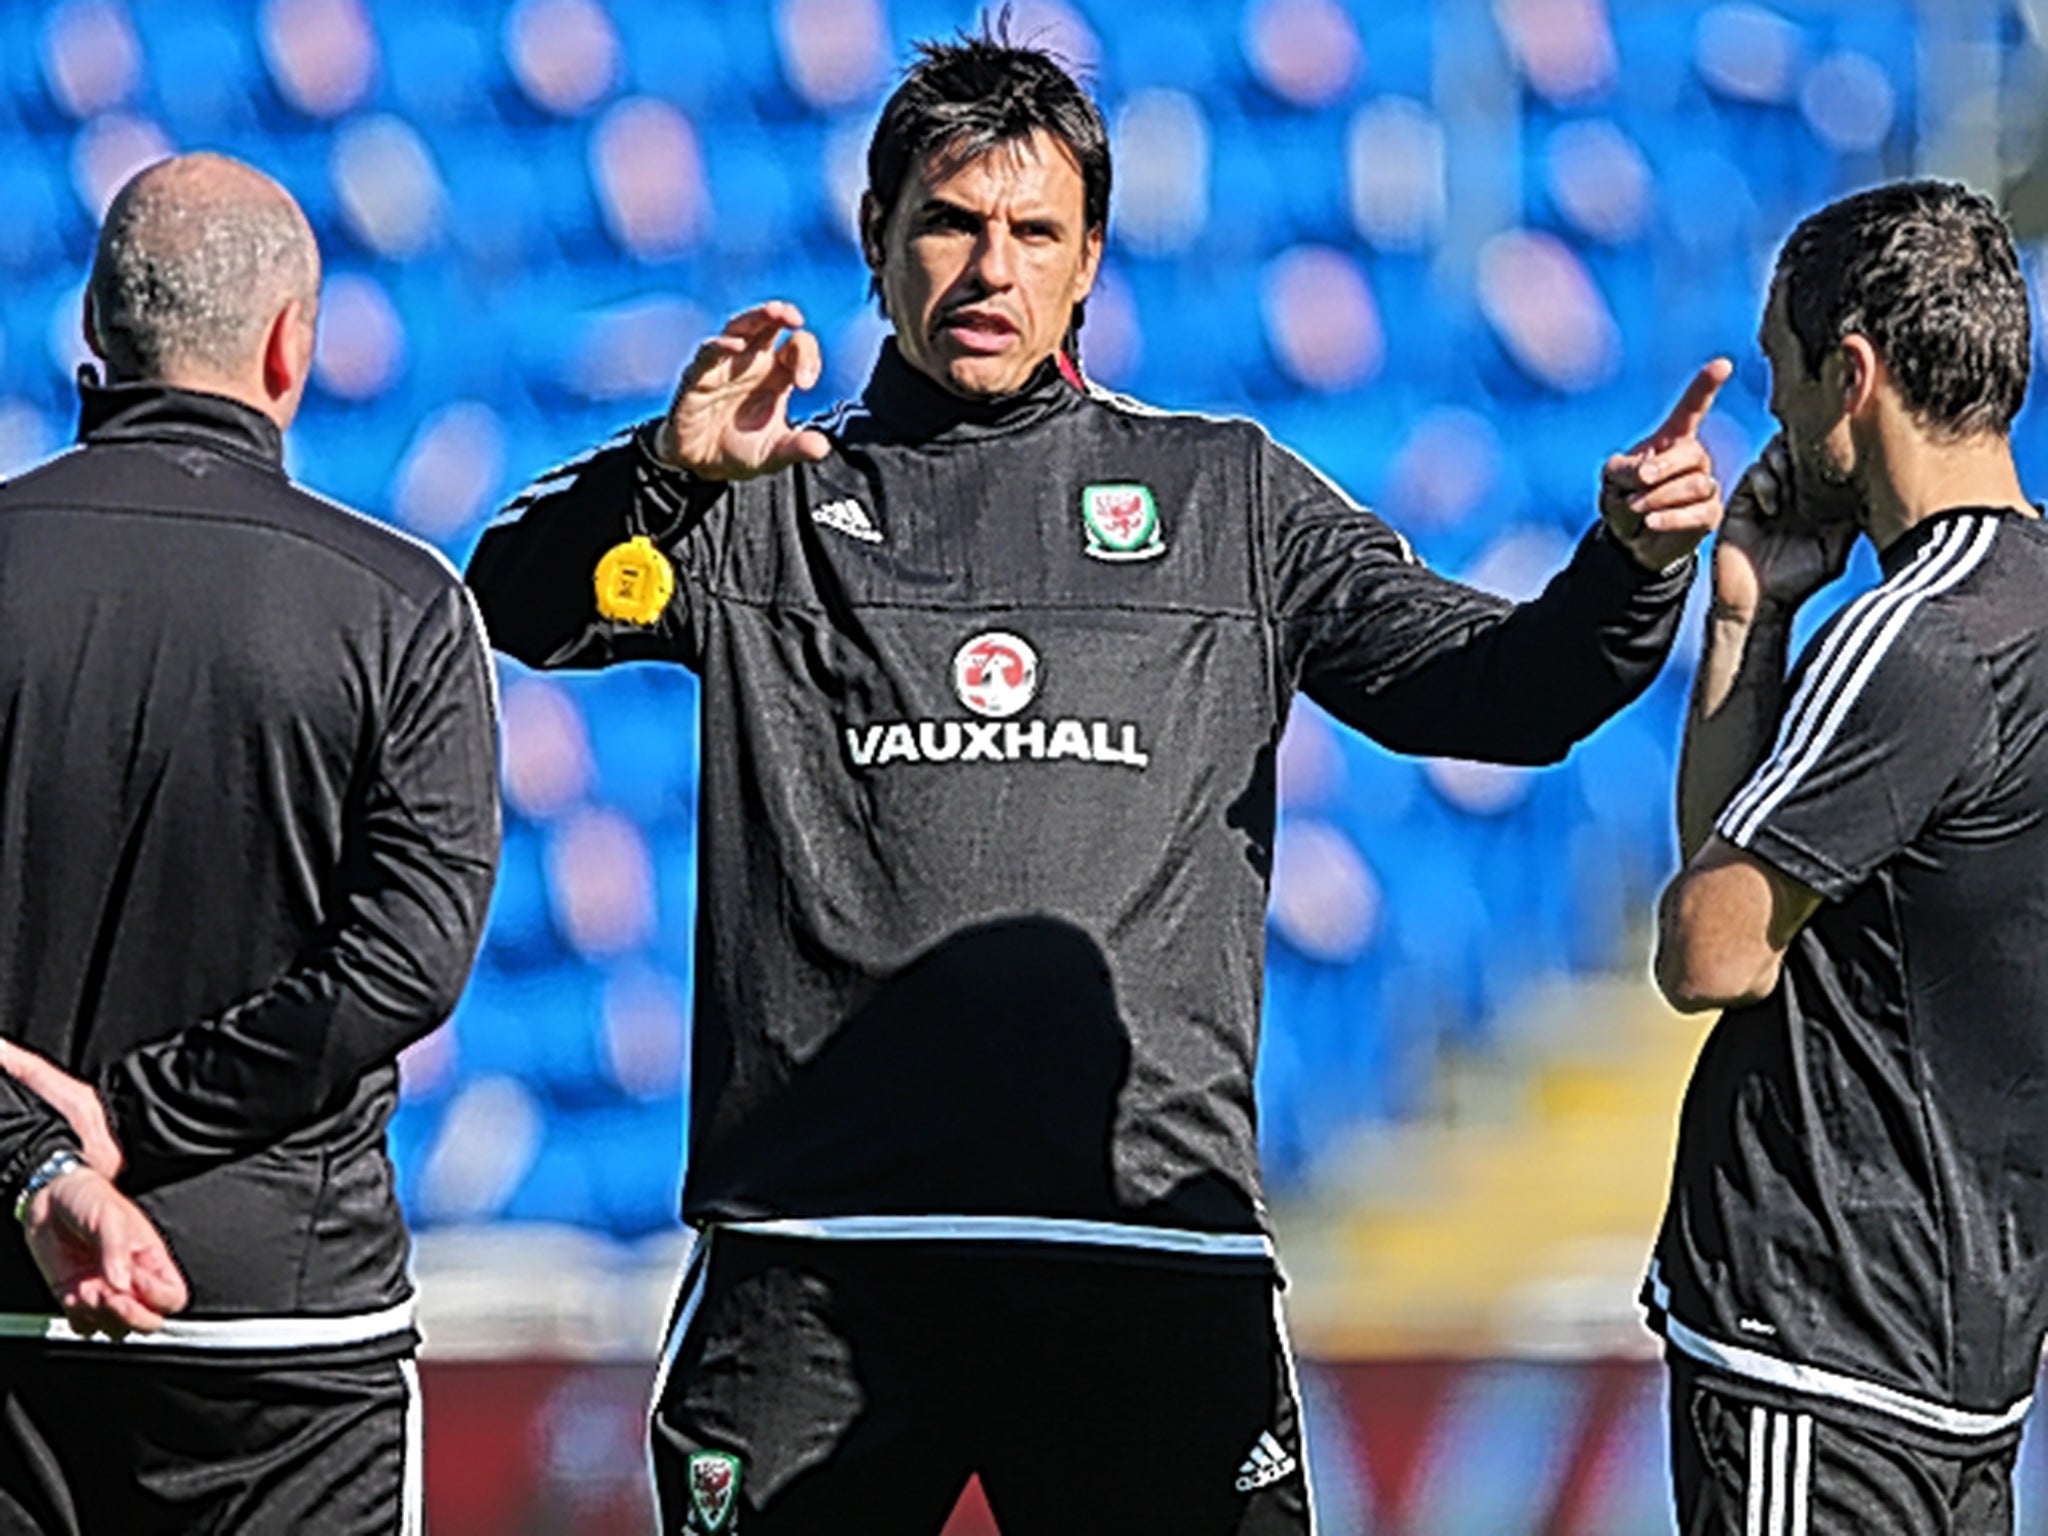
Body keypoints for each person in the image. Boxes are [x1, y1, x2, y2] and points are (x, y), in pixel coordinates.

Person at [469, 27, 1725, 1536]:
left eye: (1032, 233)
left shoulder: (1230, 501)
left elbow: (1508, 694)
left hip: (1146, 1254)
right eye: (948, 223)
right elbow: (519, 603)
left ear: (1088, 264)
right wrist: (664, 476)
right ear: (876, 242)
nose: (988, 269)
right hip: (819, 1258)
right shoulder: (767, 499)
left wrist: (1631, 568)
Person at [0, 153, 500, 1535]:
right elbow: (405, 967)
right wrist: (142, 1117)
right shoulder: (400, 605)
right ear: (293, 346)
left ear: (91, 336)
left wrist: (39, 1154)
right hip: (282, 1337)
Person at [1649, 179, 2047, 1533]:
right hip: (1973, 1348)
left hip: (1819, 1339)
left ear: (1853, 373)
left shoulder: (1912, 634)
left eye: (1779, 370)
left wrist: (1758, 626)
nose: (1772, 416)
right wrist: (1748, 613)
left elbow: (1710, 950)